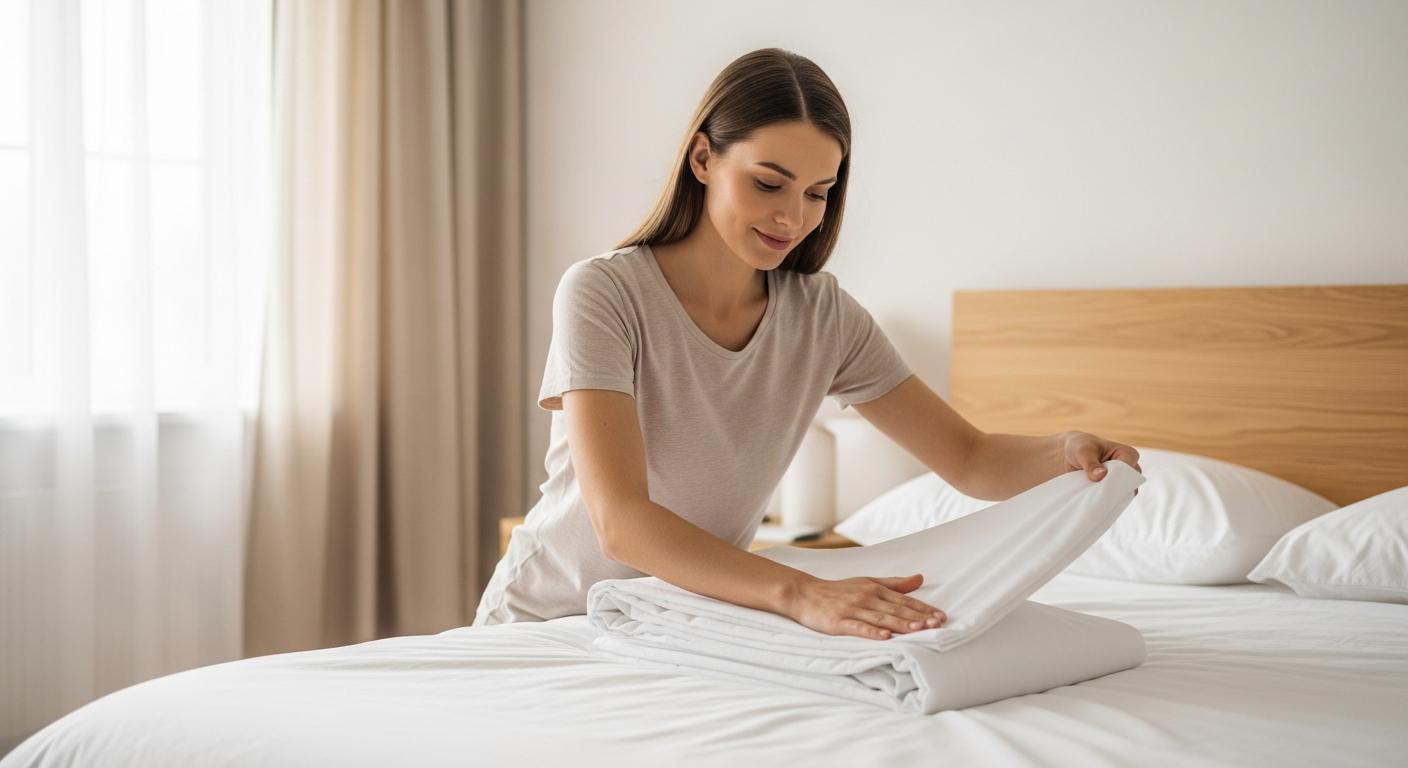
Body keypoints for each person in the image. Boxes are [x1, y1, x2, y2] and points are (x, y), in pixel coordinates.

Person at [473, 47, 1141, 640]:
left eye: (818, 193)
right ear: (704, 158)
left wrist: (1065, 452)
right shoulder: (603, 293)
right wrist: (799, 591)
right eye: (768, 183)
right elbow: (620, 520)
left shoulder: (824, 318)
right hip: (548, 620)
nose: (792, 217)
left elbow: (969, 458)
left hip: (678, 627)